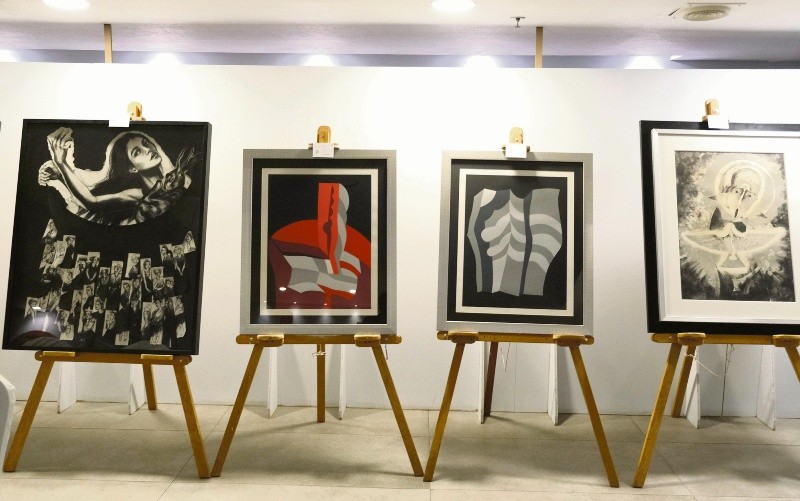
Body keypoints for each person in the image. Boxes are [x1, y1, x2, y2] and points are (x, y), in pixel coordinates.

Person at [37, 127, 198, 226]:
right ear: (132, 168)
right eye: (137, 152)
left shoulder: (181, 177)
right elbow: (91, 202)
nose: (148, 150)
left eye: (146, 144)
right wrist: (61, 163)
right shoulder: (138, 194)